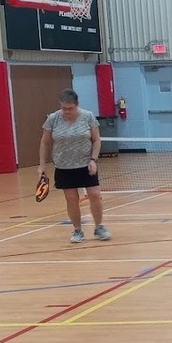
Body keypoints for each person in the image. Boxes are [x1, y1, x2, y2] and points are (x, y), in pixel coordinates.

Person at [38, 89, 110, 243]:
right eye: (64, 108)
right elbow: (45, 142)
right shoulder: (53, 119)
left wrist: (93, 160)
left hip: (86, 164)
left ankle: (99, 227)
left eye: (70, 108)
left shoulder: (88, 117)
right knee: (71, 199)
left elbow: (96, 140)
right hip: (64, 166)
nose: (67, 111)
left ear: (77, 105)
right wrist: (42, 165)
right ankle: (78, 231)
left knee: (95, 195)